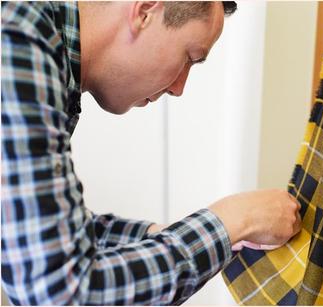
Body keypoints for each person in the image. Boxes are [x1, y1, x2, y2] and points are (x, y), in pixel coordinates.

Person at [1, 1, 302, 305]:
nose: (179, 88)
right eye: (189, 57)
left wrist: (164, 234)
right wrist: (231, 221)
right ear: (144, 12)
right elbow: (59, 291)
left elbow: (44, 234)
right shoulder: (18, 38)